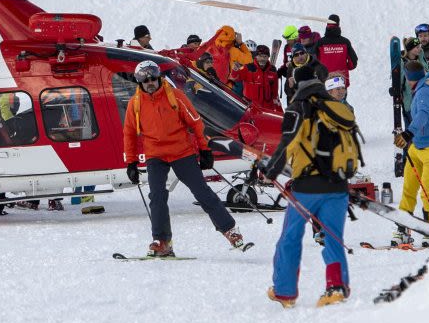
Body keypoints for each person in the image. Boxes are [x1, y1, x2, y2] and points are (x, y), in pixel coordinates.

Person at [123, 61, 249, 257]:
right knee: (157, 197)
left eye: (152, 78)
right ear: (139, 82)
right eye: (145, 80)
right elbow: (129, 134)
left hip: (181, 151)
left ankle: (230, 230)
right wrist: (131, 162)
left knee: (202, 192)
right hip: (155, 154)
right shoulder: (135, 104)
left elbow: (196, 123)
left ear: (158, 78)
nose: (150, 83)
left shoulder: (175, 97)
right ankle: (162, 241)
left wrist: (205, 150)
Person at [262, 78, 361, 308]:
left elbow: (287, 144)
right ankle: (336, 287)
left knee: (290, 237)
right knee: (333, 238)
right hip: (338, 186)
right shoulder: (339, 112)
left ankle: (284, 291)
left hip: (307, 188)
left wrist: (271, 171)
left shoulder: (300, 113)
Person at [392, 55, 429, 246]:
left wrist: (408, 134)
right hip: (418, 147)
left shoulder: (425, 91)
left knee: (427, 190)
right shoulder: (424, 87)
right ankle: (402, 229)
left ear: (410, 78)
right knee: (409, 189)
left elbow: (423, 115)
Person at [315, 14, 358, 86]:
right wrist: (343, 67)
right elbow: (353, 63)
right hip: (340, 82)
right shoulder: (345, 42)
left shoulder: (320, 43)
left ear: (327, 24)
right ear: (338, 24)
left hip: (324, 81)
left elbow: (314, 61)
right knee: (340, 96)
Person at [239, 46, 281, 110]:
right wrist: (235, 70)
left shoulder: (272, 71)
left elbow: (275, 93)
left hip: (267, 110)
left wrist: (279, 113)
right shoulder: (248, 68)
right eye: (260, 56)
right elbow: (235, 78)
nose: (262, 59)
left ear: (268, 57)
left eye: (265, 56)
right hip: (251, 109)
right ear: (256, 56)